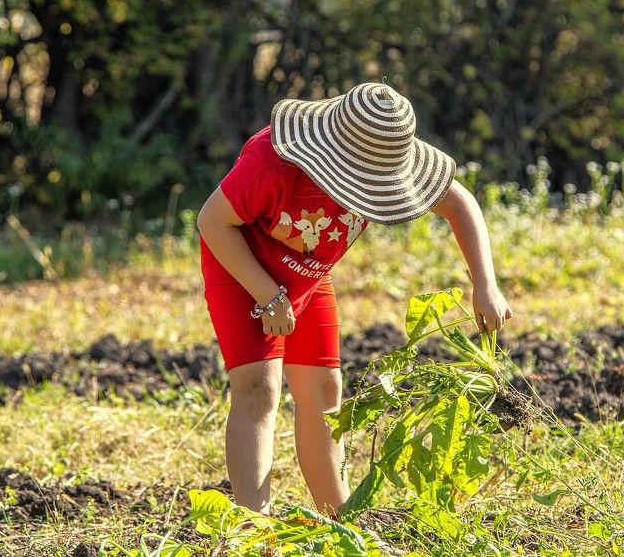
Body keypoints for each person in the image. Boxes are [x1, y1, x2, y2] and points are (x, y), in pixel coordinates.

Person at [196, 82, 513, 517]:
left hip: (308, 275)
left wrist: (485, 283)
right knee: (258, 391)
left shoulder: (384, 155)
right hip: (242, 268)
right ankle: (253, 529)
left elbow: (461, 204)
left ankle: (339, 518)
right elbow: (212, 222)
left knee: (326, 391)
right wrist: (268, 295)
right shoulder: (273, 164)